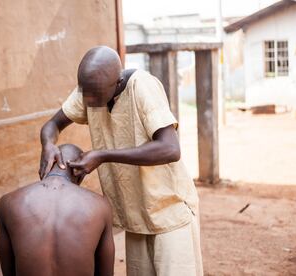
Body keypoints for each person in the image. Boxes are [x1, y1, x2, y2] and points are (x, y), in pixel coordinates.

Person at [39, 46, 203, 275]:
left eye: (96, 97)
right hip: (135, 213)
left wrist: (103, 155)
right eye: (86, 95)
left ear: (117, 84)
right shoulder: (89, 91)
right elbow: (52, 125)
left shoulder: (142, 87)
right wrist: (48, 144)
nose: (90, 103)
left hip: (169, 211)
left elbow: (170, 149)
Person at [0, 144, 114, 276]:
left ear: (44, 165)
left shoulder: (8, 202)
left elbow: (8, 271)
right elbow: (106, 273)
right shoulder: (100, 206)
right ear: (80, 175)